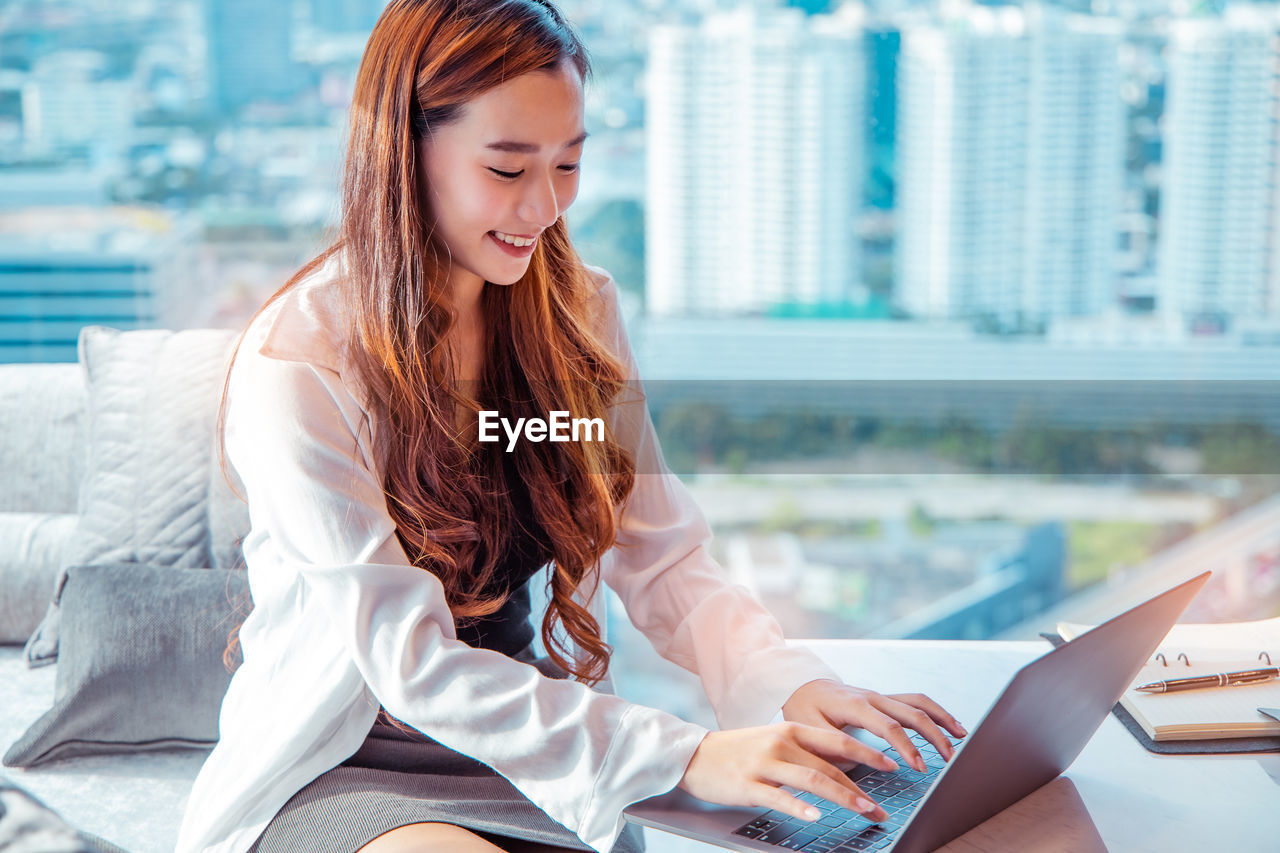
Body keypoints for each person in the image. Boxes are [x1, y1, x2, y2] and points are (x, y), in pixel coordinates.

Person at [174, 2, 967, 852]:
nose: (544, 207)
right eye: (508, 170)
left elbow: (661, 555)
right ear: (404, 153)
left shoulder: (579, 311)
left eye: (569, 164)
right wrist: (687, 753)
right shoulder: (300, 362)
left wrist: (791, 685)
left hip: (527, 742)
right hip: (341, 755)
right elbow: (408, 664)